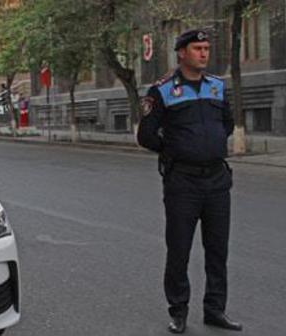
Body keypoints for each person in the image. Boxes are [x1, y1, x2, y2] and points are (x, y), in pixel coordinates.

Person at [137, 29, 242, 334]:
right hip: (182, 182)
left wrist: (208, 147)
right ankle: (178, 311)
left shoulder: (217, 88)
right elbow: (145, 135)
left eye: (207, 48)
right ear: (181, 53)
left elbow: (227, 123)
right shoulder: (163, 91)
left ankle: (215, 310)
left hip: (217, 181)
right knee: (179, 249)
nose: (204, 53)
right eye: (197, 48)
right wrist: (175, 151)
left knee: (217, 250)